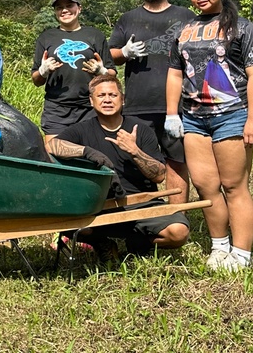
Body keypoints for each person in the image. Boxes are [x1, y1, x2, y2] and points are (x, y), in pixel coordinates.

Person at [166, 0, 253, 271]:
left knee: (234, 185)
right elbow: (175, 74)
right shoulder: (183, 30)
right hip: (194, 119)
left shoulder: (242, 27)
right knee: (205, 186)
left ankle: (242, 253)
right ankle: (220, 246)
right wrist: (172, 114)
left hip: (232, 115)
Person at [47, 76, 189, 260]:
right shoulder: (81, 130)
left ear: (123, 99)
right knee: (63, 220)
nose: (107, 100)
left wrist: (135, 151)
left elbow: (159, 176)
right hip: (100, 206)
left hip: (142, 204)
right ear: (91, 101)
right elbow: (51, 146)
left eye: (113, 95)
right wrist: (87, 152)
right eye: (101, 95)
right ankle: (101, 242)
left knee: (178, 232)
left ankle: (139, 241)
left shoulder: (141, 129)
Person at [109, 0, 195, 204]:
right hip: (138, 105)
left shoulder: (186, 16)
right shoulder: (128, 19)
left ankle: (177, 216)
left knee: (177, 162)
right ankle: (143, 214)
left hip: (178, 106)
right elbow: (111, 54)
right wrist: (124, 52)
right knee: (136, 160)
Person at [31, 0, 114, 140]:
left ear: (79, 8)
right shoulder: (46, 37)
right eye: (59, 7)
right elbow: (36, 80)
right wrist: (43, 71)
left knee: (91, 151)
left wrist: (101, 71)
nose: (64, 10)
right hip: (56, 109)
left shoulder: (95, 35)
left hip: (90, 107)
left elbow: (112, 74)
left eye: (69, 5)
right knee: (55, 150)